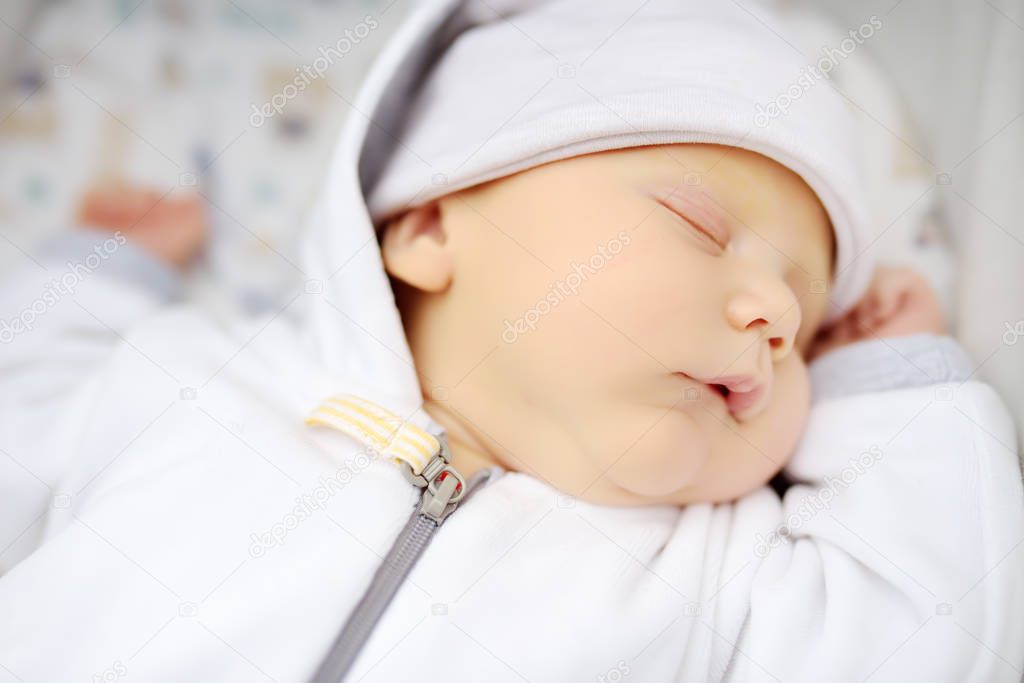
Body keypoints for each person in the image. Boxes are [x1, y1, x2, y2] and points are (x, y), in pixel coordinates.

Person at [0, 1, 1020, 681]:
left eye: (804, 322)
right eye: (703, 226)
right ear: (431, 230)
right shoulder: (200, 387)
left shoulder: (726, 582)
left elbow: (925, 632)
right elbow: (25, 407)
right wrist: (95, 272)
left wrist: (890, 393)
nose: (777, 319)